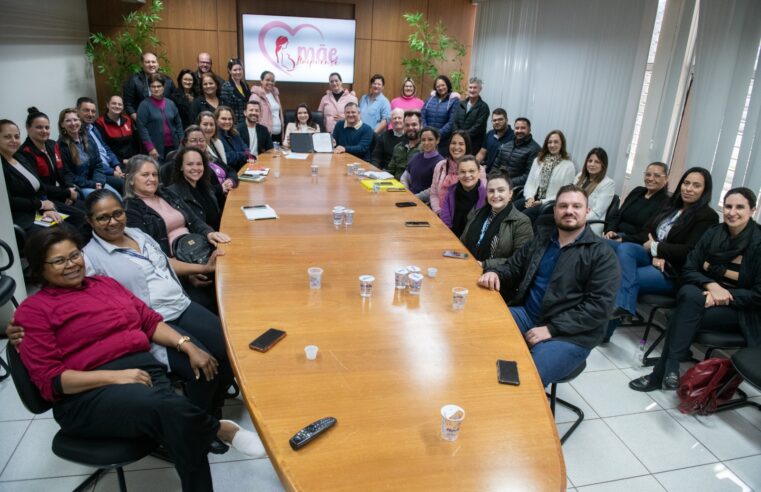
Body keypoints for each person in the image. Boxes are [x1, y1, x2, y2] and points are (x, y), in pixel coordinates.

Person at [12, 227, 264, 492]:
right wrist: (117, 377)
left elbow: (149, 321)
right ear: (40, 268)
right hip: (87, 394)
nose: (71, 265)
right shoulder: (34, 312)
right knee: (169, 409)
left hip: (143, 373)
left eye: (74, 255)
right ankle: (219, 429)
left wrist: (187, 345)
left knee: (181, 427)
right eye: (59, 261)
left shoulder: (105, 285)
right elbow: (50, 381)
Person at [478, 184, 620, 386]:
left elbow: (598, 308)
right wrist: (494, 272)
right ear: (554, 210)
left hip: (570, 335)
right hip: (527, 315)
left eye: (576, 206)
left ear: (586, 211)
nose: (569, 211)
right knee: (477, 334)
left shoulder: (603, 256)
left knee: (525, 379)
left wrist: (552, 329)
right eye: (563, 206)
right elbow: (513, 266)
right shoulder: (542, 240)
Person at [629, 188, 761, 392]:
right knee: (689, 296)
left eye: (740, 207)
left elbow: (758, 295)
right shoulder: (714, 233)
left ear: (753, 210)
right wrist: (712, 286)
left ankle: (663, 372)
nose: (732, 212)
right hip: (702, 297)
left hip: (740, 310)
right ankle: (670, 370)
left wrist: (724, 297)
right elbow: (690, 267)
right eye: (728, 206)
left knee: (681, 314)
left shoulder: (758, 243)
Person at [606, 167, 719, 340]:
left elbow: (689, 250)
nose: (688, 188)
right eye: (686, 183)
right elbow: (647, 231)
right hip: (653, 257)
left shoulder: (707, 216)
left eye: (696, 186)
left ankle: (605, 330)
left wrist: (658, 248)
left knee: (618, 276)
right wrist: (657, 251)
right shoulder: (671, 205)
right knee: (623, 248)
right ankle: (623, 306)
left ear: (705, 190)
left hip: (671, 271)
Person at [124, 155, 230, 311]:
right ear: (131, 179)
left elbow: (194, 220)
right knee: (214, 293)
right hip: (177, 268)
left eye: (154, 174)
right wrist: (188, 273)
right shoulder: (131, 210)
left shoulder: (166, 193)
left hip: (197, 248)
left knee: (231, 267)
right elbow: (156, 257)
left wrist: (209, 233)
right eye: (145, 175)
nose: (152, 179)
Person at [2, 118, 76, 234]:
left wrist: (46, 207)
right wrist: (41, 205)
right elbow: (9, 201)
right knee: (66, 233)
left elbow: (39, 185)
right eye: (7, 137)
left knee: (81, 218)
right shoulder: (2, 166)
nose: (14, 140)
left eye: (16, 136)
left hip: (41, 207)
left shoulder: (19, 157)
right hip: (23, 217)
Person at [460, 169, 533, 268]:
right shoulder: (477, 213)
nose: (495, 195)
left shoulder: (521, 222)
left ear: (510, 193)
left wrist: (484, 265)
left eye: (501, 190)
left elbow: (519, 260)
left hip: (495, 275)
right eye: (491, 191)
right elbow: (462, 242)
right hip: (466, 265)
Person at [19, 109, 83, 217]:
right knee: (81, 217)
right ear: (28, 128)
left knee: (91, 209)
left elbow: (64, 172)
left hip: (61, 193)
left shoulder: (52, 145)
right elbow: (39, 186)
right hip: (45, 200)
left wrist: (69, 188)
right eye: (39, 127)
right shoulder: (24, 153)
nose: (44, 130)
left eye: (47, 127)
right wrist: (66, 193)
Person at [516, 130, 576, 222]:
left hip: (549, 204)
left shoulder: (568, 166)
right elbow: (530, 183)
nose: (552, 145)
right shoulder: (538, 160)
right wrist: (530, 198)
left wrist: (541, 202)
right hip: (532, 198)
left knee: (523, 216)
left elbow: (564, 193)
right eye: (550, 142)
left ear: (562, 144)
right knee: (510, 209)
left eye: (556, 142)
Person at [57, 108, 118, 198]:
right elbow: (68, 175)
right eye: (68, 121)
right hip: (80, 186)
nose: (73, 123)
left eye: (75, 120)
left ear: (80, 121)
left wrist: (98, 182)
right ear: (62, 124)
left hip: (96, 182)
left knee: (117, 198)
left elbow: (98, 164)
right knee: (102, 199)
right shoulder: (60, 146)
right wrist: (92, 184)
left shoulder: (88, 139)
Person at [604, 162, 670, 242]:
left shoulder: (666, 202)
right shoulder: (637, 191)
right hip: (616, 235)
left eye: (656, 176)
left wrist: (623, 239)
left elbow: (648, 233)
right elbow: (618, 214)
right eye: (648, 174)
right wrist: (610, 230)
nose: (650, 178)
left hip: (634, 242)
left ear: (666, 179)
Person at [430, 130, 486, 215]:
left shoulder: (478, 169)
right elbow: (433, 193)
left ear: (467, 146)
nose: (456, 147)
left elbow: (481, 198)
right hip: (440, 216)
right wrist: (438, 212)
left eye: (461, 144)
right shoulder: (440, 166)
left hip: (466, 219)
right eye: (453, 143)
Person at [77, 97, 124, 192]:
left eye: (93, 111)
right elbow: (92, 162)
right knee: (126, 184)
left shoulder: (93, 127)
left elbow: (106, 148)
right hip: (99, 173)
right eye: (86, 110)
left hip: (111, 167)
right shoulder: (77, 133)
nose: (90, 114)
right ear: (77, 111)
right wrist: (113, 172)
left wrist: (116, 165)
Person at [168, 147, 222, 230]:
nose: (196, 168)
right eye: (190, 164)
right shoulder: (173, 193)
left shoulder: (207, 187)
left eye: (199, 164)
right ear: (181, 167)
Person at [137, 74, 184, 161]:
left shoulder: (171, 103)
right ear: (149, 88)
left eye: (159, 86)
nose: (156, 89)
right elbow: (142, 128)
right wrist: (150, 148)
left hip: (175, 147)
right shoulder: (144, 105)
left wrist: (182, 141)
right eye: (153, 86)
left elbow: (178, 124)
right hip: (156, 149)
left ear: (163, 87)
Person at [182, 124, 236, 198]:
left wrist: (230, 180)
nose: (198, 143)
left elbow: (231, 170)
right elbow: (196, 190)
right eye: (193, 141)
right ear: (185, 143)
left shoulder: (210, 157)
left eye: (201, 140)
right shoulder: (185, 164)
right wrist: (221, 188)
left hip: (228, 195)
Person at [440, 155, 486, 236]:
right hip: (452, 238)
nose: (467, 175)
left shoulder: (486, 196)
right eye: (463, 172)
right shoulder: (450, 193)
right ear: (458, 174)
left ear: (479, 173)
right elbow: (445, 221)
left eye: (471, 171)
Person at [122, 52, 175, 121]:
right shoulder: (133, 81)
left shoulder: (168, 81)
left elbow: (174, 101)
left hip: (165, 121)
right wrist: (140, 121)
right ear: (142, 64)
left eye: (153, 62)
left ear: (157, 64)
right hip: (143, 121)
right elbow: (128, 104)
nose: (151, 64)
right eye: (147, 62)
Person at [575, 147, 615, 235]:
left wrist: (578, 220)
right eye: (590, 161)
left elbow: (597, 212)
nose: (592, 164)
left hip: (590, 222)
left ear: (603, 165)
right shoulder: (580, 176)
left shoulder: (608, 183)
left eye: (597, 162)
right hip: (573, 215)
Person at [492, 117, 541, 187]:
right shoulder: (506, 146)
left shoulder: (535, 149)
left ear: (529, 130)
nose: (519, 130)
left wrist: (507, 182)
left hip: (516, 189)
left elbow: (528, 176)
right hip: (498, 183)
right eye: (517, 128)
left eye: (523, 128)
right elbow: (495, 166)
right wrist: (494, 179)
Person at [400, 127, 443, 201]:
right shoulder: (416, 157)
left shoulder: (441, 162)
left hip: (426, 203)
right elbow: (405, 177)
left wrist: (415, 197)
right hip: (409, 198)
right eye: (423, 140)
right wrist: (406, 192)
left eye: (430, 139)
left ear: (437, 140)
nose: (426, 143)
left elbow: (434, 189)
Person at [94, 95, 138, 165]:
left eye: (120, 104)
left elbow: (135, 142)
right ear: (108, 105)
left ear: (123, 107)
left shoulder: (128, 120)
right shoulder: (100, 123)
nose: (117, 106)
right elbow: (103, 148)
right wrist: (122, 161)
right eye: (114, 103)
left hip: (132, 160)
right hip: (114, 163)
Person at [421, 75, 460, 154]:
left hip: (443, 141)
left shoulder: (454, 100)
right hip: (427, 140)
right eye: (438, 86)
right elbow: (423, 115)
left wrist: (437, 135)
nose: (441, 88)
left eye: (443, 85)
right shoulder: (430, 99)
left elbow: (451, 122)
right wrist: (427, 133)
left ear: (447, 85)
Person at [453, 77, 490, 152]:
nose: (472, 90)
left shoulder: (484, 107)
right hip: (458, 143)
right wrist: (457, 135)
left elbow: (478, 127)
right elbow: (454, 121)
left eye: (475, 88)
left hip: (473, 144)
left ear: (480, 89)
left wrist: (463, 137)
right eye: (470, 87)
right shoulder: (460, 104)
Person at [248, 71, 284, 142]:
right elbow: (252, 116)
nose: (270, 83)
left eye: (272, 81)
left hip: (278, 133)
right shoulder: (255, 96)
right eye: (267, 80)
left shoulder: (275, 95)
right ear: (261, 81)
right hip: (265, 134)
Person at [387, 111, 422, 180]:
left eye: (414, 124)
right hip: (394, 186)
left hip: (412, 189)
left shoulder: (424, 150)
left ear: (421, 125)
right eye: (407, 125)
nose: (410, 128)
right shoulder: (398, 147)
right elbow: (390, 171)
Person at [214, 106, 251, 171]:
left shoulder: (235, 134)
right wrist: (242, 154)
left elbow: (246, 149)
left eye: (230, 119)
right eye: (223, 119)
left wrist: (240, 154)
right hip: (228, 174)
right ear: (216, 120)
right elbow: (226, 158)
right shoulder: (215, 137)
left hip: (242, 170)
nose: (227, 121)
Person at [220, 58, 251, 125]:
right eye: (235, 70)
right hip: (234, 124)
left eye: (240, 69)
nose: (238, 72)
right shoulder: (226, 86)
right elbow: (226, 108)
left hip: (246, 123)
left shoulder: (245, 85)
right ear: (229, 71)